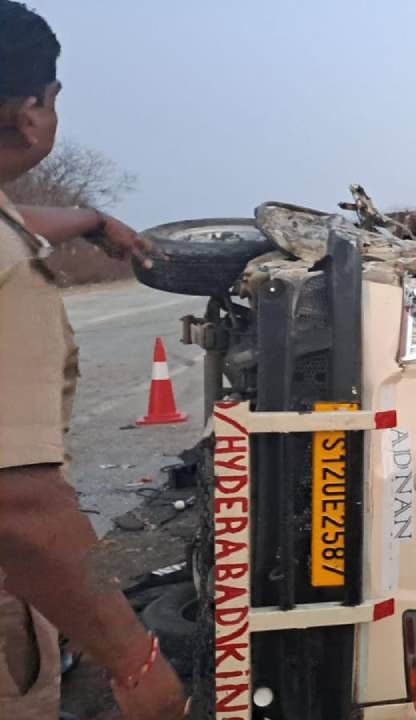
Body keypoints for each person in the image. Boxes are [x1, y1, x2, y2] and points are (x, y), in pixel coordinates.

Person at [0, 3, 188, 718]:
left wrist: (84, 219)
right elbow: (21, 508)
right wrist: (135, 664)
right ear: (28, 114)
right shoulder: (10, 273)